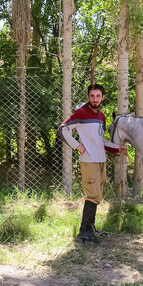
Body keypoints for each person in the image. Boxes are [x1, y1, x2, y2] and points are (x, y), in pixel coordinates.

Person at [57, 84, 126, 243]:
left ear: (102, 97)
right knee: (93, 195)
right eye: (92, 96)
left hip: (100, 160)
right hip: (89, 161)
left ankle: (91, 227)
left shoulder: (101, 116)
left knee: (97, 195)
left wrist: (118, 148)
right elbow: (62, 129)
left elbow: (100, 141)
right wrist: (77, 146)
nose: (95, 99)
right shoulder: (81, 113)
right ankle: (84, 232)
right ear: (88, 97)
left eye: (98, 96)